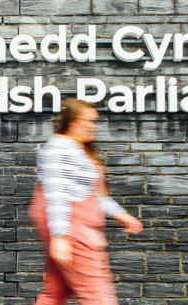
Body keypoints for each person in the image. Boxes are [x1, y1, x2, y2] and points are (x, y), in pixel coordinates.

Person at [29, 98, 143, 305]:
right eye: (89, 120)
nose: (94, 126)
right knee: (98, 296)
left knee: (55, 293)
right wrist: (60, 236)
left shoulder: (78, 150)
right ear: (73, 121)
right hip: (75, 232)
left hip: (76, 230)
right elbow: (56, 192)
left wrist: (121, 215)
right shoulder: (60, 147)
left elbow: (94, 195)